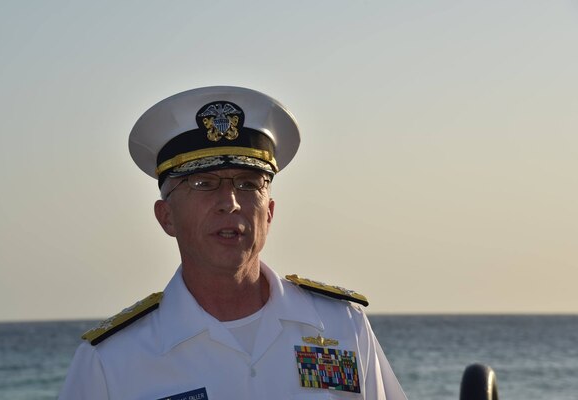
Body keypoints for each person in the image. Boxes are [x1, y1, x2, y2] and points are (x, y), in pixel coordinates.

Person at [59, 86, 408, 400]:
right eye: (203, 184)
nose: (231, 202)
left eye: (247, 184)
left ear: (269, 212)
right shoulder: (112, 361)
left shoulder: (341, 325)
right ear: (166, 216)